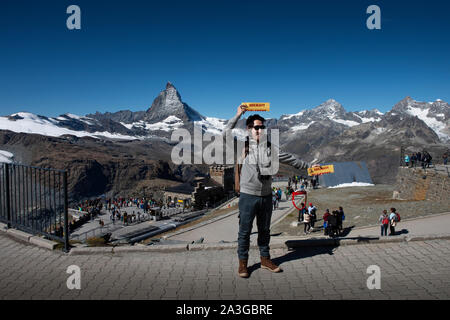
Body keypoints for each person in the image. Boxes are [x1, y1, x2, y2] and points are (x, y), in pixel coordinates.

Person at [227, 104, 311, 278]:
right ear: (249, 128)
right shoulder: (241, 146)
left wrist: (309, 167)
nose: (260, 130)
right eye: (256, 127)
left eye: (262, 127)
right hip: (248, 196)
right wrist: (237, 115)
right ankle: (243, 263)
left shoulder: (270, 148)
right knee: (244, 231)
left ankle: (265, 260)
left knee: (264, 230)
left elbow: (290, 159)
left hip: (266, 196)